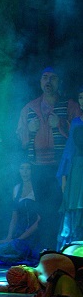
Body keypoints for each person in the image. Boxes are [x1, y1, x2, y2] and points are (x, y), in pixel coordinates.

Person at [17, 67, 82, 246]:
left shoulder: (70, 106)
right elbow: (20, 139)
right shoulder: (29, 107)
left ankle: (60, 249)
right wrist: (29, 130)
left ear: (59, 82)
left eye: (53, 78)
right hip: (38, 165)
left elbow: (79, 137)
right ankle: (46, 249)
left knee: (60, 208)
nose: (48, 82)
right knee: (42, 211)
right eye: (45, 77)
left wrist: (60, 124)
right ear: (40, 82)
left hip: (61, 168)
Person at [58, 86, 83, 249]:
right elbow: (69, 150)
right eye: (80, 97)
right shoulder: (76, 122)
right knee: (74, 209)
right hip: (77, 170)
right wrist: (64, 176)